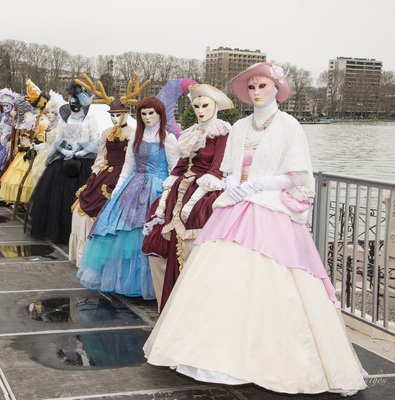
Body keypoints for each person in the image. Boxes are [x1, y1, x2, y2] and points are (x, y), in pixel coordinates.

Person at [143, 62, 367, 395]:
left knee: (275, 280)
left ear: (277, 88)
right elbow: (230, 168)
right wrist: (233, 184)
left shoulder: (289, 126)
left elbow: (297, 174)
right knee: (219, 276)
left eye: (262, 86)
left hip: (270, 208)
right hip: (234, 208)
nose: (256, 91)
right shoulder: (240, 127)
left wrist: (255, 186)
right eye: (251, 87)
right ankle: (212, 353)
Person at [77, 96, 179, 300]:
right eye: (144, 113)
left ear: (160, 114)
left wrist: (168, 193)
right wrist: (117, 192)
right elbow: (128, 166)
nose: (148, 117)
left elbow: (175, 168)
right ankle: (125, 279)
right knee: (124, 233)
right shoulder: (136, 136)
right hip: (133, 187)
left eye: (152, 113)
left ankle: (150, 283)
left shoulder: (168, 138)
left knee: (147, 233)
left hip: (158, 189)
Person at [142, 84, 232, 311]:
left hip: (206, 191)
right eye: (196, 106)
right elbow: (182, 163)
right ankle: (172, 304)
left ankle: (197, 308)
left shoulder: (222, 132)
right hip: (180, 190)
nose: (201, 110)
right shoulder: (191, 132)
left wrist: (195, 197)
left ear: (215, 106)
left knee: (196, 244)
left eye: (205, 105)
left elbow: (218, 167)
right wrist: (171, 181)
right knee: (163, 239)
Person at [29, 82, 99, 243]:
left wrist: (81, 152)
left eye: (77, 103)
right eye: (72, 102)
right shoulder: (64, 120)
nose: (74, 106)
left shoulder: (90, 120)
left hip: (84, 163)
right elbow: (58, 139)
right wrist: (64, 151)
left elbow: (95, 140)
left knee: (79, 196)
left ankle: (78, 232)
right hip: (62, 163)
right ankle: (60, 230)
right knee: (58, 198)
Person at [69, 99, 133, 267]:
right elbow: (100, 157)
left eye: (118, 115)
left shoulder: (133, 134)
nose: (115, 119)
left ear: (127, 114)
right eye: (112, 115)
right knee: (83, 207)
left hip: (124, 176)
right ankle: (86, 255)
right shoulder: (106, 133)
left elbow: (133, 160)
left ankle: (110, 260)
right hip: (106, 173)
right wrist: (95, 173)